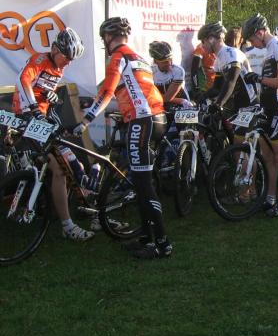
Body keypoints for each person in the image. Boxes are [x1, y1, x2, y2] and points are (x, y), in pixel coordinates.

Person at [74, 18, 171, 259]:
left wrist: (85, 120)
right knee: (140, 182)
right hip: (155, 119)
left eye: (104, 39)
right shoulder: (139, 59)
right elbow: (128, 94)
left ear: (108, 37)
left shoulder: (118, 57)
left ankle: (162, 244)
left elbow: (107, 91)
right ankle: (147, 237)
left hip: (142, 122)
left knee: (144, 186)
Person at [12, 28, 96, 241]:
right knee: (61, 168)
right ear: (55, 49)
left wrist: (50, 97)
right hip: (27, 116)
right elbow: (23, 80)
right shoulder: (40, 59)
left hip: (41, 117)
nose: (68, 63)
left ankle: (85, 203)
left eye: (72, 60)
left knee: (69, 163)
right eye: (66, 57)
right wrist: (34, 108)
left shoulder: (58, 67)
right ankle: (69, 223)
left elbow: (40, 90)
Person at [241, 14, 278, 217]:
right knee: (268, 157)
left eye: (252, 39)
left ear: (260, 32)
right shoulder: (269, 49)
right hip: (267, 108)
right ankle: (270, 198)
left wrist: (259, 79)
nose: (252, 44)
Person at [149, 41, 191, 108]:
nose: (169, 64)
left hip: (181, 106)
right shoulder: (149, 72)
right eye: (165, 62)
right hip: (162, 105)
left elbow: (167, 98)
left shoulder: (178, 70)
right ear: (155, 61)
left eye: (170, 60)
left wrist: (181, 101)